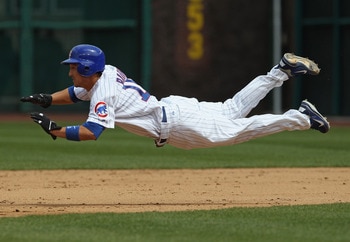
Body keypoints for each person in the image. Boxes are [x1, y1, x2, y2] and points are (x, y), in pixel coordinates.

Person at [21, 44, 330, 150]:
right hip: (175, 108)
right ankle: (280, 71)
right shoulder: (107, 71)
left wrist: (56, 130)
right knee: (233, 108)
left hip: (177, 125)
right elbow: (77, 93)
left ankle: (301, 117)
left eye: (73, 67)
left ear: (88, 68)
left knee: (237, 130)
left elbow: (92, 132)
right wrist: (49, 99)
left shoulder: (103, 92)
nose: (70, 71)